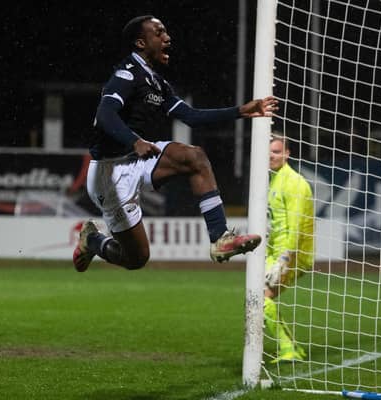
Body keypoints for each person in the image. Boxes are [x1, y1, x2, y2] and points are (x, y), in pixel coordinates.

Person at [72, 15, 279, 272]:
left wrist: (241, 111)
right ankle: (93, 240)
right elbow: (104, 115)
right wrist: (134, 141)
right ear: (140, 43)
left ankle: (220, 239)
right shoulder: (126, 74)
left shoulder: (158, 83)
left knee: (195, 157)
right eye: (159, 33)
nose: (167, 38)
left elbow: (191, 117)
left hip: (138, 158)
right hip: (109, 174)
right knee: (136, 258)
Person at [263, 134, 314, 363]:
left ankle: (288, 348)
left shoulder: (294, 182)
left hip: (293, 255)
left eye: (275, 151)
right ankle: (290, 348)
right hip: (275, 253)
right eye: (268, 151)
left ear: (287, 154)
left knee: (261, 298)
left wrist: (285, 258)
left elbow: (296, 226)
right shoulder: (272, 180)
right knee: (255, 299)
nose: (270, 156)